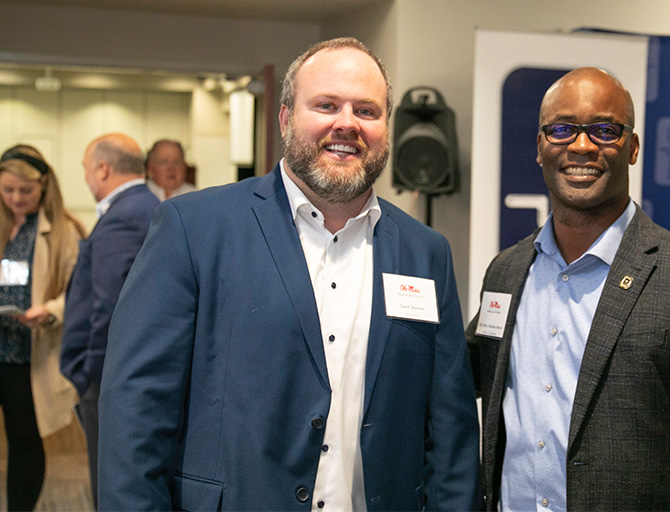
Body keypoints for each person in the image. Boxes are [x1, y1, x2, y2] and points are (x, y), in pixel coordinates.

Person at [98, 37, 480, 510]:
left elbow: (451, 428)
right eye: (326, 105)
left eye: (367, 110)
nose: (347, 123)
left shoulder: (426, 253)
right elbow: (136, 408)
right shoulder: (195, 228)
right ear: (285, 119)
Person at [467, 67, 670, 511]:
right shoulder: (507, 272)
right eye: (562, 129)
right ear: (540, 146)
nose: (582, 146)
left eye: (604, 130)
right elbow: (463, 374)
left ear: (631, 148)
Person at [59, 133, 159, 509]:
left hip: (107, 379)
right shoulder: (147, 205)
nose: (86, 178)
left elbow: (109, 307)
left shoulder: (123, 217)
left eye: (86, 169)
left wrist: (89, 374)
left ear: (102, 169)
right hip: (121, 375)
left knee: (111, 484)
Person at [0, 146, 85, 511]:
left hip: (26, 354)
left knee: (24, 439)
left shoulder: (65, 230)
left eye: (25, 191)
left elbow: (79, 291)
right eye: (7, 190)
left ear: (44, 186)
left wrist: (49, 311)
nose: (16, 199)